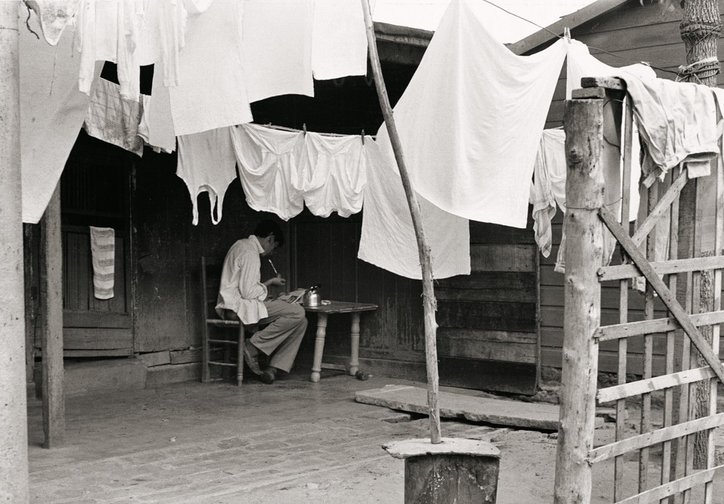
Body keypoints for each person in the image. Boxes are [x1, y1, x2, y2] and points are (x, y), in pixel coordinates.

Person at [215, 220, 307, 384]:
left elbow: (245, 287)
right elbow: (249, 293)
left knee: (302, 321)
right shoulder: (250, 253)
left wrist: (269, 284)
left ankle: (273, 369)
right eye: (274, 246)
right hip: (238, 309)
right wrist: (268, 294)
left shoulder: (241, 245)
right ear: (270, 238)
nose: (272, 251)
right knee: (298, 312)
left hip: (235, 304)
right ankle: (252, 346)